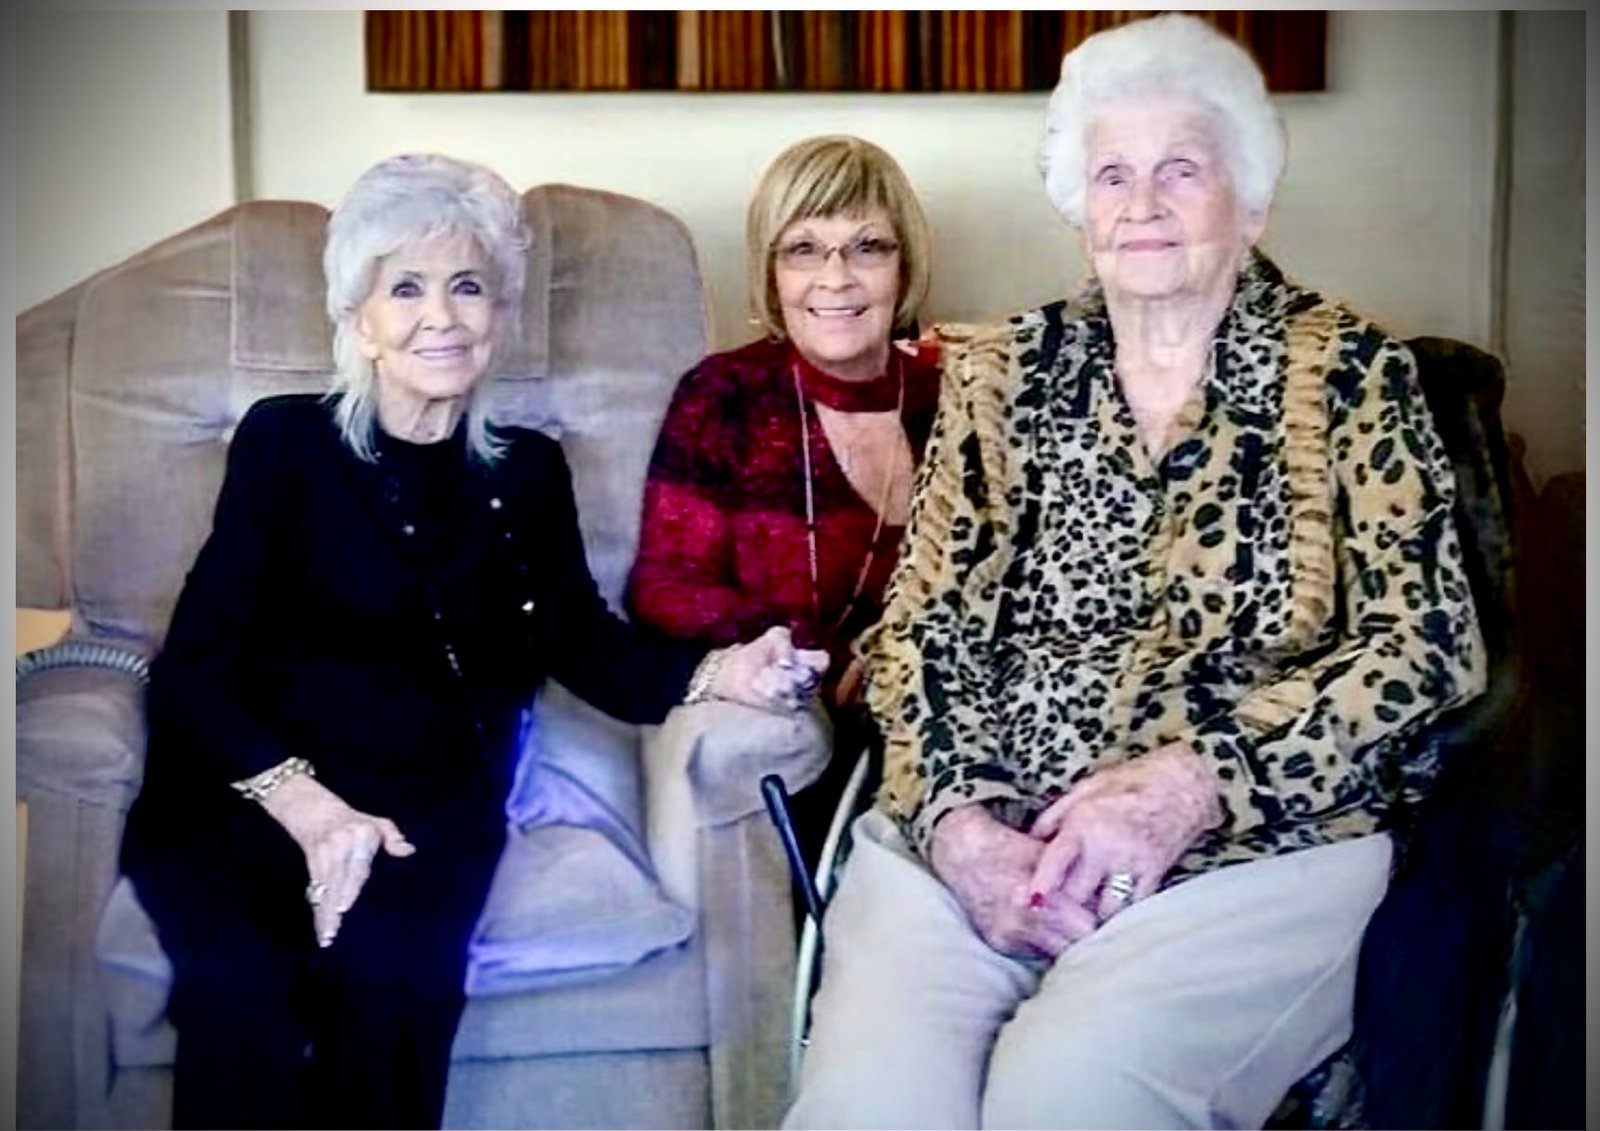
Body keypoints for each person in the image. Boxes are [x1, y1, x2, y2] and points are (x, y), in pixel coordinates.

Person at [784, 15, 1488, 1130]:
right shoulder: (1004, 376)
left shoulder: (1352, 374)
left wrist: (1189, 785)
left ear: (1251, 202)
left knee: (1071, 1094)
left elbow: (1427, 646)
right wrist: (962, 826)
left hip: (1251, 854)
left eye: (1182, 170)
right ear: (1080, 204)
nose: (1142, 203)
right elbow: (920, 631)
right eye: (1112, 173)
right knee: (874, 1106)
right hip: (983, 841)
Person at [117, 152, 827, 1130]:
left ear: (500, 312)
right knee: (242, 987)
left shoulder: (526, 472)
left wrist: (723, 670)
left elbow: (585, 645)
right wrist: (312, 812)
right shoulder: (289, 445)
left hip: (429, 802)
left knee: (393, 987)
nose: (441, 316)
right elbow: (196, 669)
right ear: (358, 319)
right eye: (405, 288)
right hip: (251, 783)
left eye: (467, 286)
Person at [625, 134, 941, 871]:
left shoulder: (957, 396)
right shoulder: (726, 396)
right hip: (805, 726)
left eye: (868, 247)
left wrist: (895, 663)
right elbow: (664, 586)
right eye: (803, 249)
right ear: (771, 273)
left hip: (939, 724)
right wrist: (819, 654)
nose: (836, 278)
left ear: (905, 266)